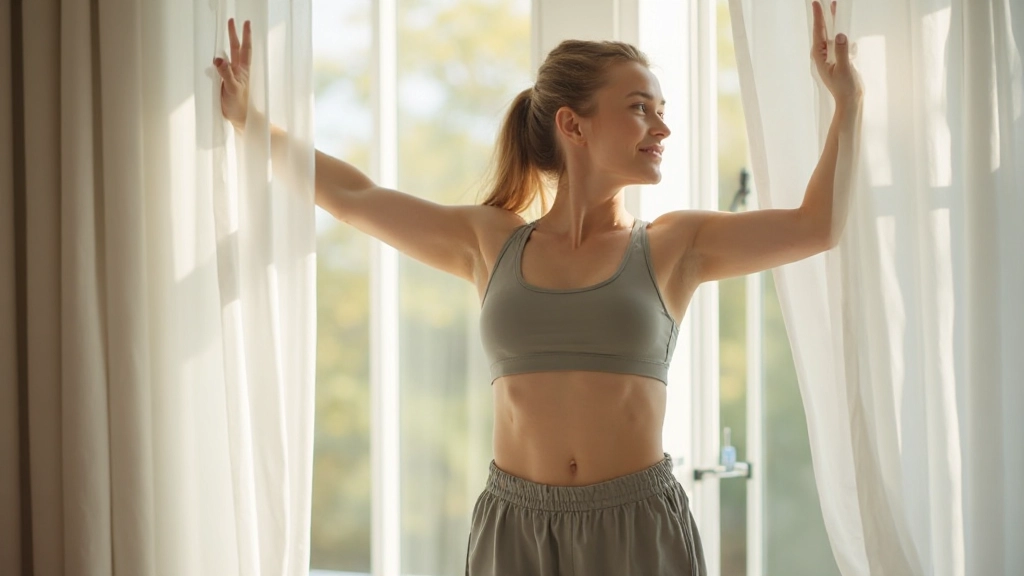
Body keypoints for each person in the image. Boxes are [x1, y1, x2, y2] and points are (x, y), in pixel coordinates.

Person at [213, 1, 861, 573]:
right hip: (514, 526)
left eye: (663, 112)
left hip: (636, 525)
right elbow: (356, 197)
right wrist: (250, 121)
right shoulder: (490, 241)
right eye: (640, 110)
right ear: (572, 125)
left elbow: (817, 226)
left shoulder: (673, 245)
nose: (662, 129)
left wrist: (848, 104)